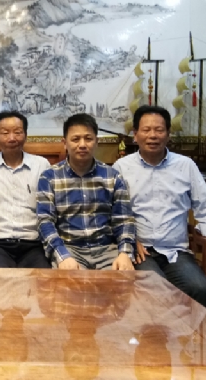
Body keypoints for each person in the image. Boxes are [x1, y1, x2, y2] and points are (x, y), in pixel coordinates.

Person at [112, 105, 206, 312]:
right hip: (140, 251)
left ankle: (197, 334)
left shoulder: (185, 166)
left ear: (168, 134)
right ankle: (160, 334)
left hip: (176, 251)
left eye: (159, 130)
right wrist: (130, 239)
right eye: (146, 130)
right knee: (156, 289)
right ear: (135, 134)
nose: (153, 136)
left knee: (201, 289)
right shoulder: (121, 168)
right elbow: (113, 213)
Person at [37, 113, 136, 270]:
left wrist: (125, 253)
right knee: (69, 284)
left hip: (107, 250)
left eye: (88, 139)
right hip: (69, 251)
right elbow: (45, 222)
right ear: (65, 143)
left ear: (96, 142)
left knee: (122, 283)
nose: (82, 144)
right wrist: (62, 256)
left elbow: (124, 220)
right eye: (75, 139)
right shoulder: (49, 177)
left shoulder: (112, 176)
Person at [0, 111, 51, 268]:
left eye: (17, 132)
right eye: (5, 133)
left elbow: (49, 208)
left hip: (34, 244)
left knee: (43, 278)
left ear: (25, 135)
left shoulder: (41, 165)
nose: (11, 138)